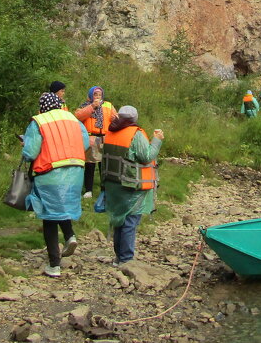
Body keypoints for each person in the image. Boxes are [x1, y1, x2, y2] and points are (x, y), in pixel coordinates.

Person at [21, 92, 89, 278]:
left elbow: (31, 152)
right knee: (62, 206)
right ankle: (70, 236)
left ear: (42, 106)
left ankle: (54, 265)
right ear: (59, 104)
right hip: (75, 172)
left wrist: (25, 147)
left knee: (49, 216)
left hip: (50, 172)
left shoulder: (39, 121)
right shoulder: (73, 119)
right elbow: (84, 143)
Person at [100, 105, 163, 266]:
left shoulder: (110, 132)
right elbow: (146, 156)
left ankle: (118, 257)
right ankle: (126, 259)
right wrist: (157, 140)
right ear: (134, 119)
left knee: (118, 219)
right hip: (131, 184)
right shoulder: (135, 134)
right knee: (130, 221)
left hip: (113, 184)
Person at [75, 86, 117, 199]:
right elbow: (78, 117)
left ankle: (105, 189)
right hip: (91, 138)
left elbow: (117, 119)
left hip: (105, 138)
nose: (98, 97)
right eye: (95, 95)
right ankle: (88, 190)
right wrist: (92, 106)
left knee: (104, 166)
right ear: (90, 96)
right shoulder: (85, 105)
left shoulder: (108, 105)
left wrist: (115, 118)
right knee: (89, 165)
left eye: (99, 94)